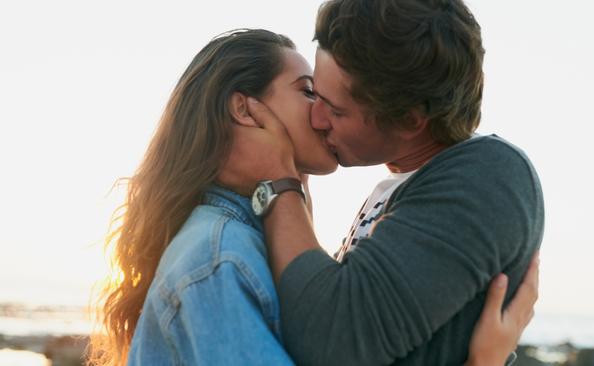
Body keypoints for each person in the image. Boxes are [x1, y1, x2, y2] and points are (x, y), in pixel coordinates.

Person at [88, 29, 537, 366]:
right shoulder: (219, 257)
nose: (320, 114)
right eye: (307, 91)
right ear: (245, 109)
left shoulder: (251, 240)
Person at [215, 0, 545, 365]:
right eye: (313, 93)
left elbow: (332, 339)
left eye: (336, 109)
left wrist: (279, 181)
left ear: (408, 120)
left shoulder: (486, 178)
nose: (317, 117)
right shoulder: (405, 184)